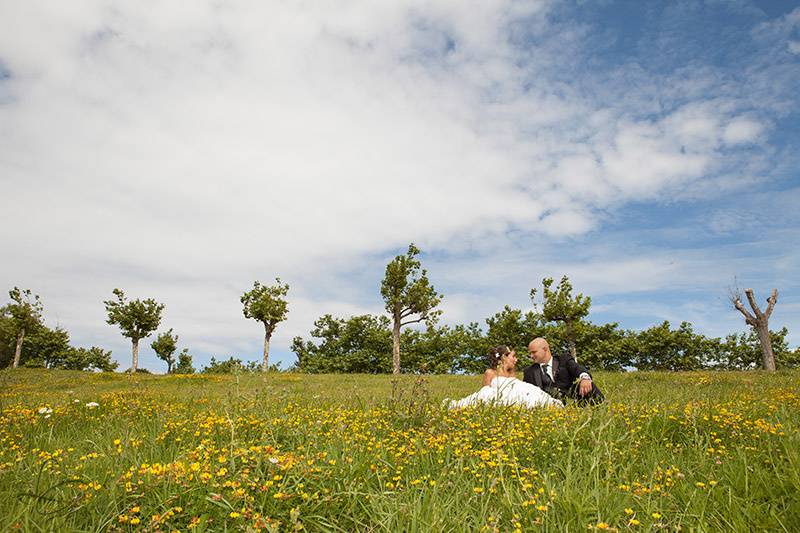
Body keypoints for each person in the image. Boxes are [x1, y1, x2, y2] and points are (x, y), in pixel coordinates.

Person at [449, 345, 563, 409]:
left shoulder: (513, 373)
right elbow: (483, 393)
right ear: (504, 357)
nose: (516, 360)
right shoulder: (490, 373)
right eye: (513, 356)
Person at [523, 337, 604, 405]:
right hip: (548, 406)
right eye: (530, 353)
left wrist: (585, 378)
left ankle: (602, 408)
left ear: (545, 349)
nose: (531, 356)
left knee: (589, 386)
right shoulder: (529, 371)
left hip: (572, 401)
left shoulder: (563, 360)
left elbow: (578, 369)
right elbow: (526, 394)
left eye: (534, 352)